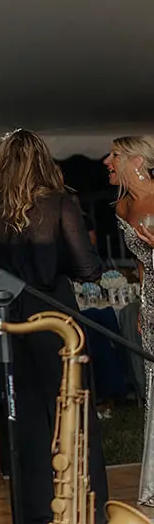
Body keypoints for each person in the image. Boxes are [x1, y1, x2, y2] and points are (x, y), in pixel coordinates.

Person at [0, 130, 109, 524]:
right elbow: (89, 269)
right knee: (74, 417)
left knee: (25, 420)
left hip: (9, 317)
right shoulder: (58, 203)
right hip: (56, 317)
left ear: (1, 162)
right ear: (42, 160)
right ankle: (87, 521)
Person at [103, 135, 154, 504]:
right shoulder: (122, 207)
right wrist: (142, 303)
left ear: (137, 161)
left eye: (115, 154)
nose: (107, 161)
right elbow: (140, 263)